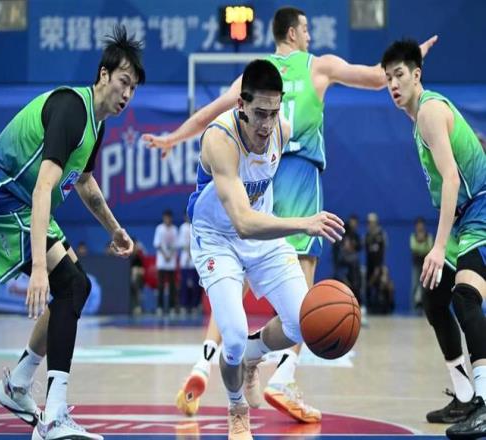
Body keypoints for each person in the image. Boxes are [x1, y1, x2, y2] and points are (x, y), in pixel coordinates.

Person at [143, 6, 438, 422]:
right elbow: (377, 77)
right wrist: (411, 59)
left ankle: (206, 361)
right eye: (307, 30)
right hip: (296, 177)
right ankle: (282, 375)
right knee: (304, 278)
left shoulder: (254, 80)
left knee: (241, 281)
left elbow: (211, 111)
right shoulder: (318, 66)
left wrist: (174, 136)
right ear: (295, 33)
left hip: (263, 177)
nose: (310, 36)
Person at [0, 25, 145, 440]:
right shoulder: (73, 109)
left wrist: (115, 229)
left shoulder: (97, 125)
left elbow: (85, 183)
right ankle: (53, 416)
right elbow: (44, 187)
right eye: (123, 81)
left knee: (77, 288)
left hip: (25, 200)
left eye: (134, 88)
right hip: (2, 194)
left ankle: (18, 384)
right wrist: (40, 267)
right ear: (103, 74)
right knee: (69, 284)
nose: (127, 94)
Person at [181, 59, 344, 440]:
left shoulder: (281, 131)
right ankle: (237, 408)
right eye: (259, 114)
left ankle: (253, 357)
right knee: (233, 337)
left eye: (273, 112)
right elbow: (242, 221)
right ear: (241, 104)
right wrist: (303, 223)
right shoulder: (220, 140)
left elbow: (258, 207)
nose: (266, 124)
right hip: (218, 240)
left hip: (262, 240)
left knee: (302, 324)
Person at [382, 39, 486, 437]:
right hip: (464, 217)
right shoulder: (419, 118)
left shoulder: (428, 111)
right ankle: (464, 395)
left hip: (481, 208)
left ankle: (484, 402)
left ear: (417, 75)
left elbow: (452, 179)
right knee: (434, 297)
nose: (393, 84)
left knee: (465, 298)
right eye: (388, 78)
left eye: (400, 75)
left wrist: (439, 247)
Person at [153, 209, 179, 317]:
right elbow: (157, 244)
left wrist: (170, 254)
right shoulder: (159, 228)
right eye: (166, 217)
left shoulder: (174, 229)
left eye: (169, 217)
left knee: (172, 286)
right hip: (162, 262)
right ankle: (160, 307)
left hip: (171, 262)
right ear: (163, 218)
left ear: (171, 218)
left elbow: (176, 245)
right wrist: (165, 255)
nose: (167, 219)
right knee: (161, 286)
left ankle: (172, 307)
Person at [178, 213, 202, 316]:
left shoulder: (197, 226)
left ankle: (195, 305)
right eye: (186, 216)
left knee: (196, 284)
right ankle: (184, 305)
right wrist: (188, 252)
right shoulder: (183, 228)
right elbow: (181, 243)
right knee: (185, 284)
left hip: (195, 261)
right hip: (185, 260)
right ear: (184, 217)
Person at [365, 212, 388, 313]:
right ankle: (369, 307)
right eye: (369, 222)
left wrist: (379, 267)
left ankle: (380, 308)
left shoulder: (381, 235)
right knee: (368, 285)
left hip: (378, 266)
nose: (370, 224)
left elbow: (382, 252)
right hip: (369, 265)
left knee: (379, 285)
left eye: (372, 222)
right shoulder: (367, 235)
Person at [410, 217, 434, 312]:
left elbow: (429, 248)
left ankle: (425, 308)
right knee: (415, 285)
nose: (420, 226)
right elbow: (414, 247)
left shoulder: (429, 236)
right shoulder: (413, 236)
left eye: (421, 224)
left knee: (425, 287)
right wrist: (422, 247)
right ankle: (413, 309)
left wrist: (421, 245)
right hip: (416, 265)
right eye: (418, 225)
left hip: (426, 266)